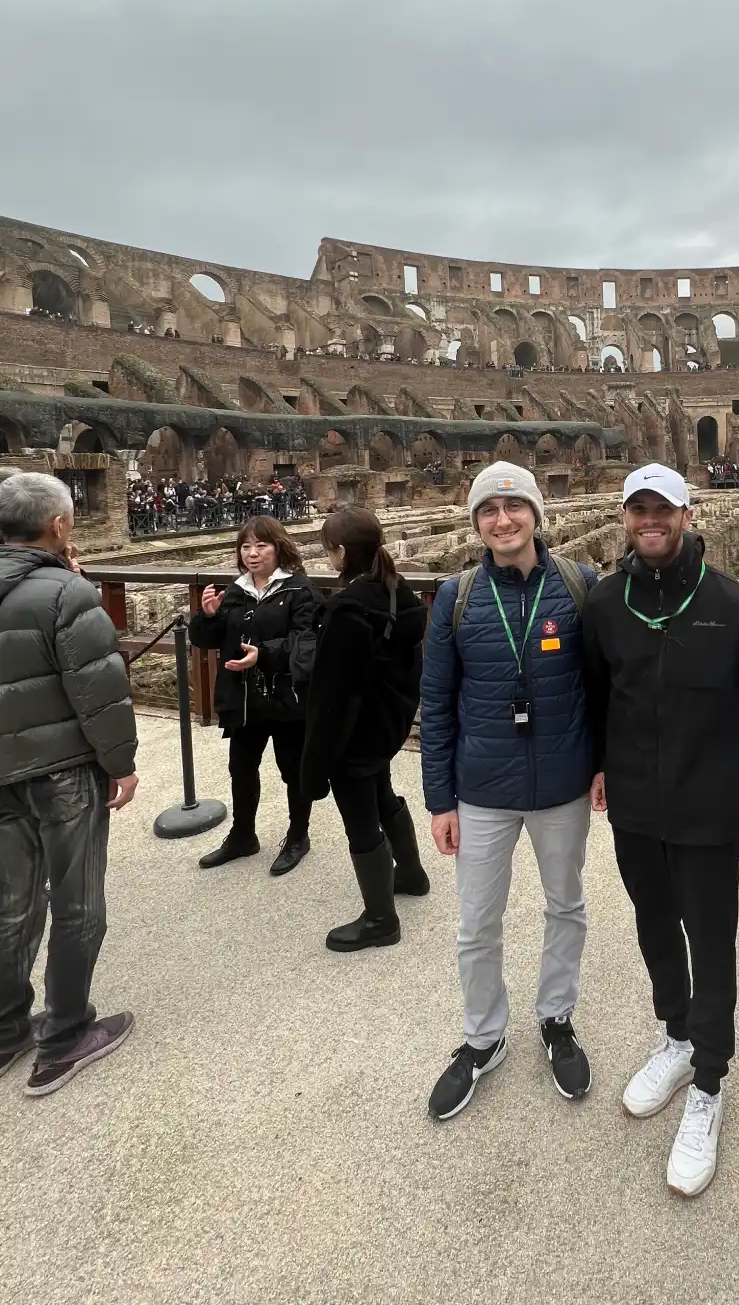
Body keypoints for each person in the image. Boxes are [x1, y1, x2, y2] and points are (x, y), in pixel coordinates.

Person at [581, 463, 739, 1197]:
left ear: (687, 514)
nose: (650, 520)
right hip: (633, 800)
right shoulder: (605, 602)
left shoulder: (734, 603)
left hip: (708, 801)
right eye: (639, 509)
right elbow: (596, 694)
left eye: (663, 508)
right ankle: (677, 1037)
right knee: (655, 923)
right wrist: (597, 766)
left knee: (711, 939)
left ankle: (710, 1081)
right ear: (626, 517)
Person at [421, 462, 596, 1121]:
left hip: (561, 784)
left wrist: (600, 764)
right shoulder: (456, 596)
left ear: (534, 515)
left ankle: (555, 1018)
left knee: (564, 905)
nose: (503, 520)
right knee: (475, 923)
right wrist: (440, 798)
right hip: (482, 789)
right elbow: (436, 701)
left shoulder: (579, 586)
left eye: (514, 507)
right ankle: (483, 1036)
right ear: (477, 523)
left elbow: (600, 689)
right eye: (489, 511)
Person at [0, 472, 139, 1097]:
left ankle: (6, 1030)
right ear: (58, 526)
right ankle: (64, 1037)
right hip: (62, 775)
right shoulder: (66, 592)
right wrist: (120, 763)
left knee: (11, 903)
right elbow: (101, 692)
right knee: (78, 902)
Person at [299, 508, 429, 952]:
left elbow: (331, 694)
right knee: (382, 792)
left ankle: (380, 920)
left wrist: (315, 762)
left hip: (354, 733)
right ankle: (410, 874)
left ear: (339, 553)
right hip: (385, 725)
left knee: (360, 817)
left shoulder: (348, 608)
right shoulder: (396, 590)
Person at [187, 515, 318, 875]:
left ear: (279, 548)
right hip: (243, 698)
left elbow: (305, 643)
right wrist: (209, 617)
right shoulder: (234, 591)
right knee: (241, 769)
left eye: (261, 545)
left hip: (285, 697)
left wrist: (265, 654)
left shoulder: (298, 590)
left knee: (292, 770)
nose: (252, 553)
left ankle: (298, 836)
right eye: (246, 546)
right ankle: (243, 835)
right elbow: (207, 640)